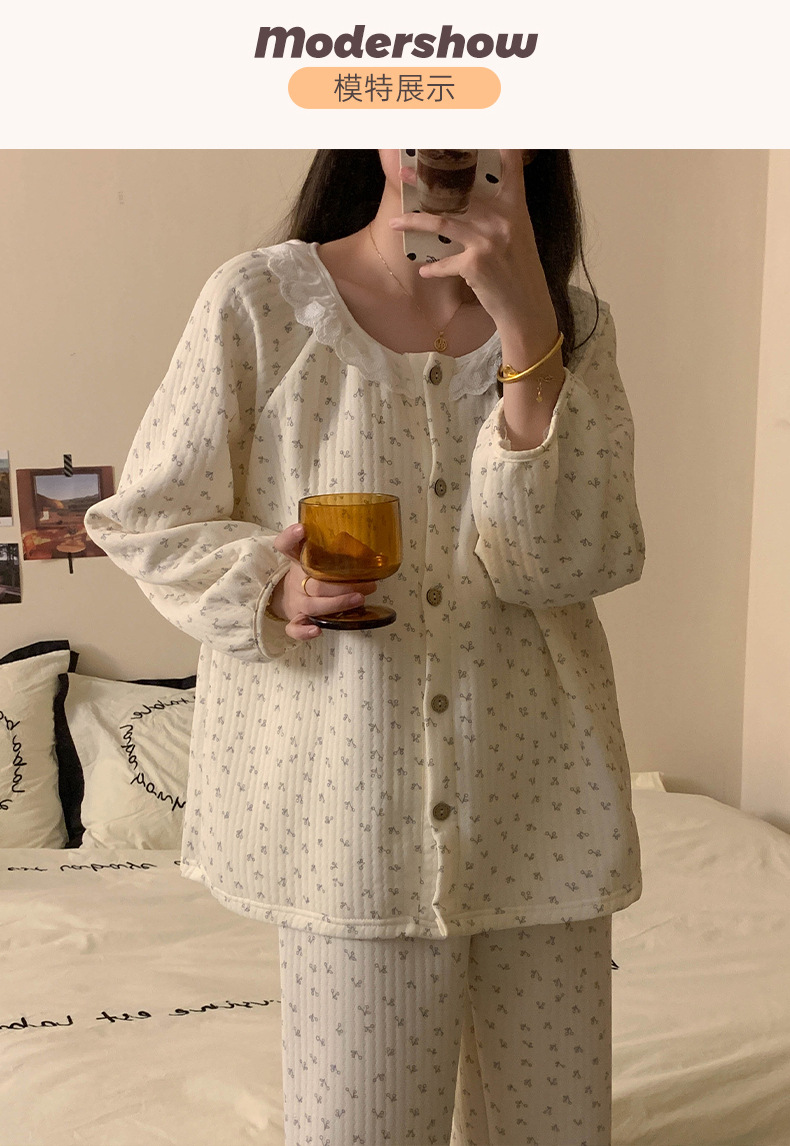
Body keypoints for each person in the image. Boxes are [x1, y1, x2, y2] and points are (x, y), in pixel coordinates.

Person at [85, 149, 646, 1146]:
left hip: (542, 807)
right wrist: (273, 583)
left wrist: (528, 330)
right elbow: (150, 521)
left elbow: (566, 562)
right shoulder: (262, 303)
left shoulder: (574, 324)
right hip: (349, 823)